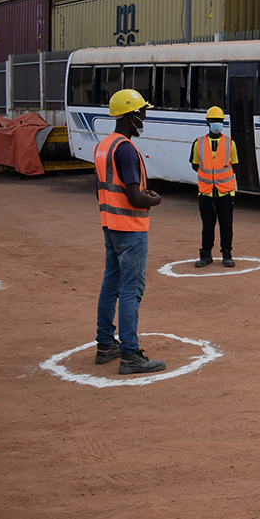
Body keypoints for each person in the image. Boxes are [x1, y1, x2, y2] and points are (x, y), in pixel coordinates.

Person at [93, 89, 166, 375]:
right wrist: (154, 199)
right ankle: (130, 354)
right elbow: (136, 198)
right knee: (130, 290)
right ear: (129, 116)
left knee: (111, 284)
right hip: (130, 228)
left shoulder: (105, 145)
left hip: (110, 225)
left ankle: (105, 344)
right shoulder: (125, 149)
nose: (144, 116)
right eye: (140, 112)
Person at [191, 106, 238, 267]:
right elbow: (195, 164)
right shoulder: (198, 142)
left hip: (225, 193)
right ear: (207, 123)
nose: (216, 124)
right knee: (207, 226)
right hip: (206, 193)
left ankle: (227, 254)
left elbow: (235, 166)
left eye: (219, 121)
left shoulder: (230, 142)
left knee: (226, 226)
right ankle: (206, 255)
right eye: (213, 121)